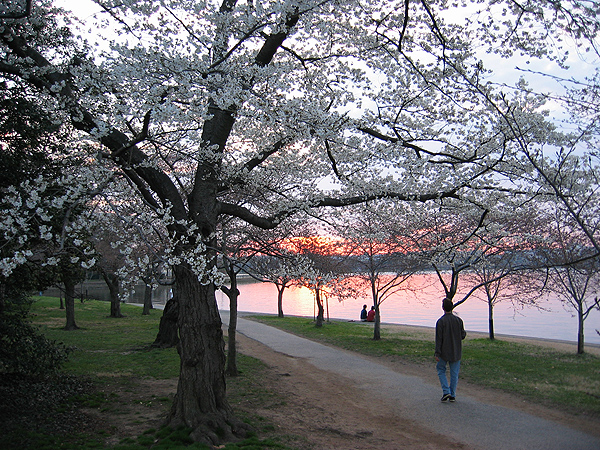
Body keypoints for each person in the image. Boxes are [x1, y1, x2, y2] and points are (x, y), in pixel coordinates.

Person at [435, 298, 466, 403]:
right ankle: (452, 394)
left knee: (441, 370)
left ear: (443, 308)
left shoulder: (441, 321)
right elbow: (462, 335)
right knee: (454, 373)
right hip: (456, 351)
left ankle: (446, 391)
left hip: (444, 351)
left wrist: (437, 353)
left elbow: (439, 339)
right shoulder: (458, 321)